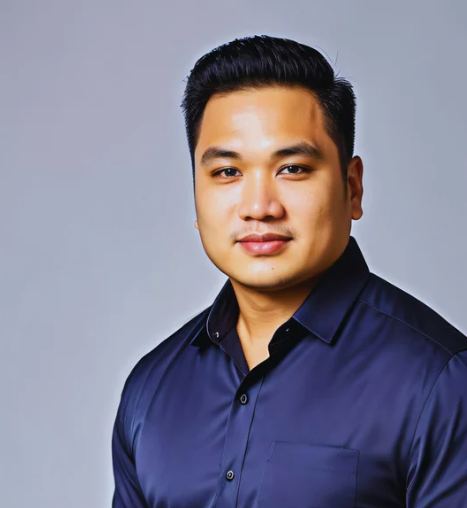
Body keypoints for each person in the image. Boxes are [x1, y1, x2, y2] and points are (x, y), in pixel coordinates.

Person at [111, 35, 467, 508]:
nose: (259, 207)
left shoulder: (441, 382)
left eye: (293, 168)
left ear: (352, 188)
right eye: (227, 173)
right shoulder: (152, 388)